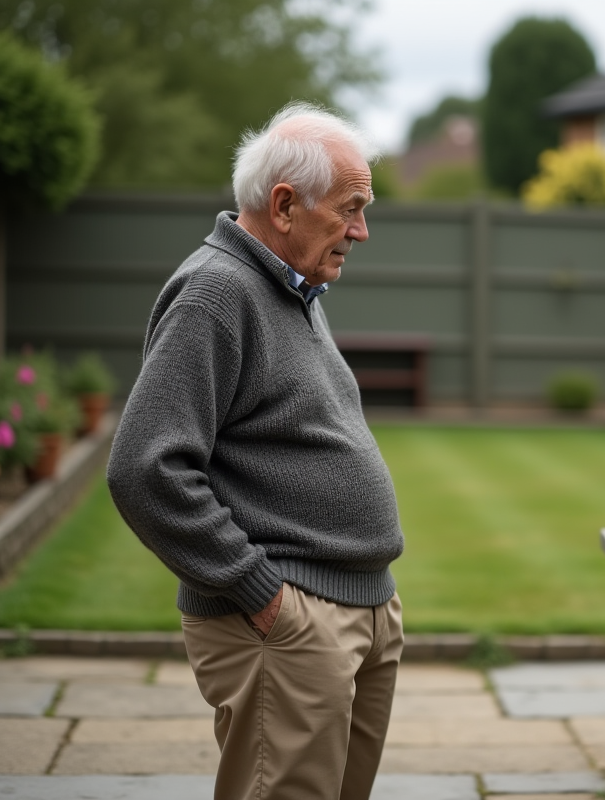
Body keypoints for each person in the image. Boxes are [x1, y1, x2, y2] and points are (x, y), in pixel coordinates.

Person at [106, 102, 405, 800]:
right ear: (284, 205)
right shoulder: (217, 292)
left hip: (357, 608)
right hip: (289, 625)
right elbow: (144, 467)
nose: (361, 230)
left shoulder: (295, 288)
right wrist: (258, 591)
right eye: (351, 208)